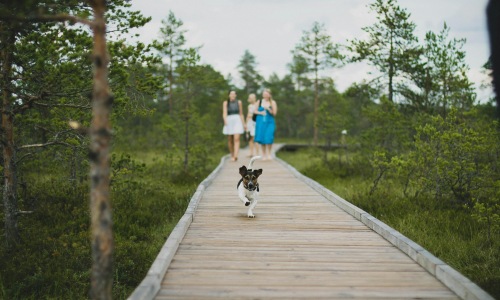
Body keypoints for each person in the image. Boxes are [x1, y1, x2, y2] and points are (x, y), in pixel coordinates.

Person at [254, 89, 278, 161]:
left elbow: (274, 113)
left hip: (270, 122)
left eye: (267, 94)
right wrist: (260, 113)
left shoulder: (272, 102)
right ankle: (263, 154)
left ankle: (269, 154)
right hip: (261, 122)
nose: (265, 96)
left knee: (269, 137)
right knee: (262, 138)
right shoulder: (259, 102)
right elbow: (255, 111)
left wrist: (268, 109)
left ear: (270, 95)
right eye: (264, 94)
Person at [222, 90, 246, 161]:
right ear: (229, 95)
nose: (232, 95)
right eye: (231, 94)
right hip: (229, 119)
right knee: (230, 139)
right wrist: (225, 120)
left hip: (237, 119)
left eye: (234, 94)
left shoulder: (239, 102)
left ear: (236, 95)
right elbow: (224, 113)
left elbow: (241, 113)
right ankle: (232, 154)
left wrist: (244, 123)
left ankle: (235, 155)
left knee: (236, 139)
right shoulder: (226, 103)